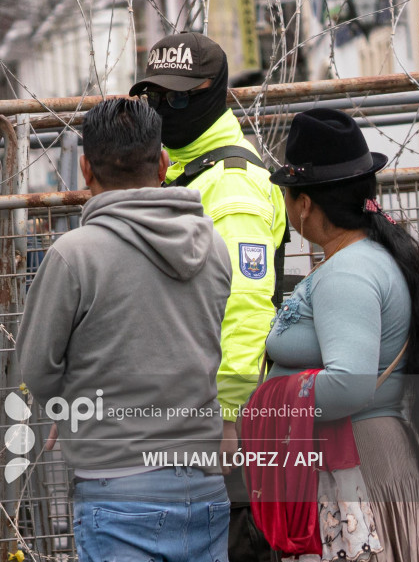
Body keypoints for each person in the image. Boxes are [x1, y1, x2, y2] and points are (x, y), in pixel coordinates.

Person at [16, 99, 232, 562]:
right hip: (204, 480)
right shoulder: (213, 246)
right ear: (162, 163)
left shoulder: (74, 255)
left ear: (85, 168)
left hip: (116, 486)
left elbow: (36, 368)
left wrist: (78, 402)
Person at [255, 108, 419, 560]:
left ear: (303, 203)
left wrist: (267, 401)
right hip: (364, 458)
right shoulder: (368, 258)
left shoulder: (348, 274)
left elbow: (350, 384)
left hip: (356, 468)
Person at [129, 31, 287, 559]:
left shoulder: (233, 185)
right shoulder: (181, 171)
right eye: (151, 98)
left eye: (175, 99)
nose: (161, 111)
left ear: (212, 93)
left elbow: (245, 310)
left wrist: (226, 419)